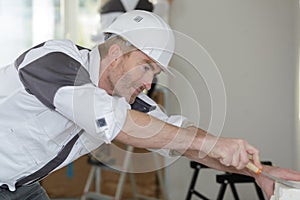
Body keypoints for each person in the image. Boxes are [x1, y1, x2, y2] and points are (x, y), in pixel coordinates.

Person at [0, 10, 299, 200]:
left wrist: (261, 174)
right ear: (116, 54)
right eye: (146, 67)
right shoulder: (55, 61)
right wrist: (216, 143)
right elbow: (114, 122)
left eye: (155, 74)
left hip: (22, 188)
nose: (149, 84)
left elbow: (183, 142)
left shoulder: (128, 102)